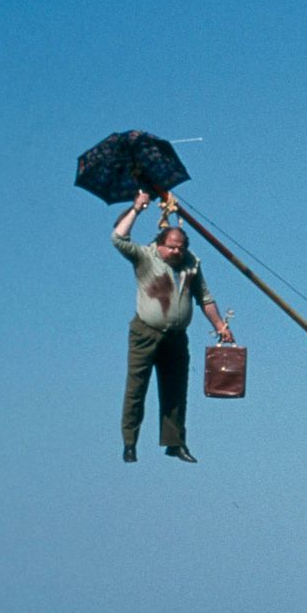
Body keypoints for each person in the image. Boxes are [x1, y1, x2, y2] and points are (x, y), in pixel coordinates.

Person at [111, 190, 234, 463]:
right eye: (172, 246)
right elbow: (118, 238)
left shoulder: (191, 264)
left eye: (180, 247)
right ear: (160, 244)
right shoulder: (145, 256)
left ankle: (175, 443)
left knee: (176, 391)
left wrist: (220, 326)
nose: (176, 251)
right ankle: (130, 442)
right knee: (136, 389)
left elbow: (204, 298)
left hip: (177, 336)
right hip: (146, 332)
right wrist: (137, 209)